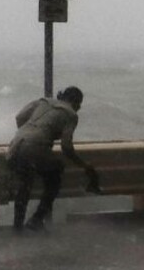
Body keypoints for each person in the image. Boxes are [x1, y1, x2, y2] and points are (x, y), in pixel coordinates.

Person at [6, 86, 100, 232]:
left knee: (25, 184)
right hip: (35, 148)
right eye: (79, 105)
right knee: (54, 178)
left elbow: (19, 118)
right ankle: (36, 220)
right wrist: (83, 164)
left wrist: (29, 132)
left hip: (15, 146)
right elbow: (66, 147)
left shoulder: (43, 101)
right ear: (77, 103)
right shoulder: (70, 115)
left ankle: (17, 228)